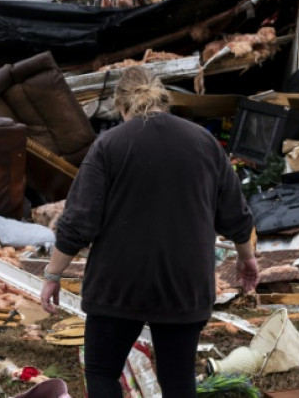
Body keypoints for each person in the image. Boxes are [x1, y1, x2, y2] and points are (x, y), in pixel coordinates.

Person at [40, 66, 259, 397]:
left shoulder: (108, 145)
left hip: (119, 284)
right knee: (178, 381)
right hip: (184, 282)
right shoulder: (204, 143)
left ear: (120, 106)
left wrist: (53, 276)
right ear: (163, 100)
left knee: (102, 372)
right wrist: (247, 258)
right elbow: (235, 215)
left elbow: (79, 221)